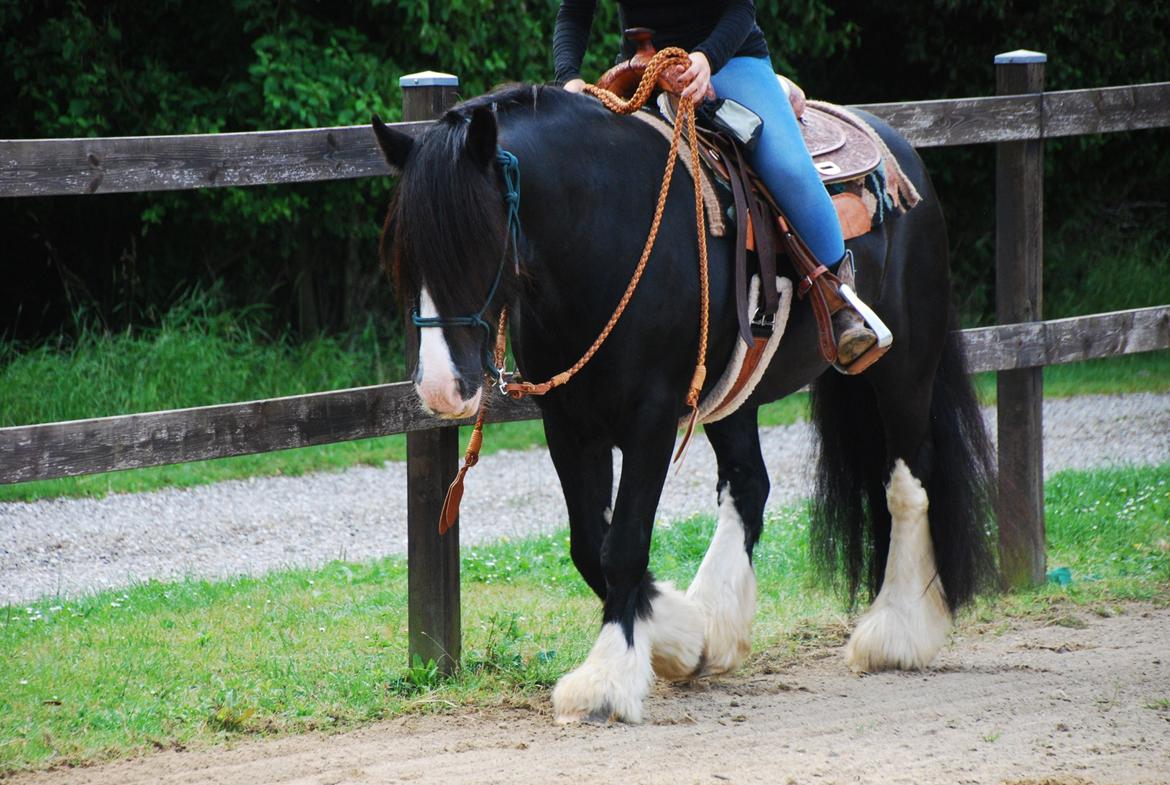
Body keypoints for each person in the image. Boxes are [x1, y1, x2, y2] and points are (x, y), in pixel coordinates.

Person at [553, 0, 878, 365]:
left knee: (788, 169)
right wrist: (568, 77)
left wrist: (706, 58)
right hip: (641, 72)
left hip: (728, 61)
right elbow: (574, 12)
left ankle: (841, 303)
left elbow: (741, 9)